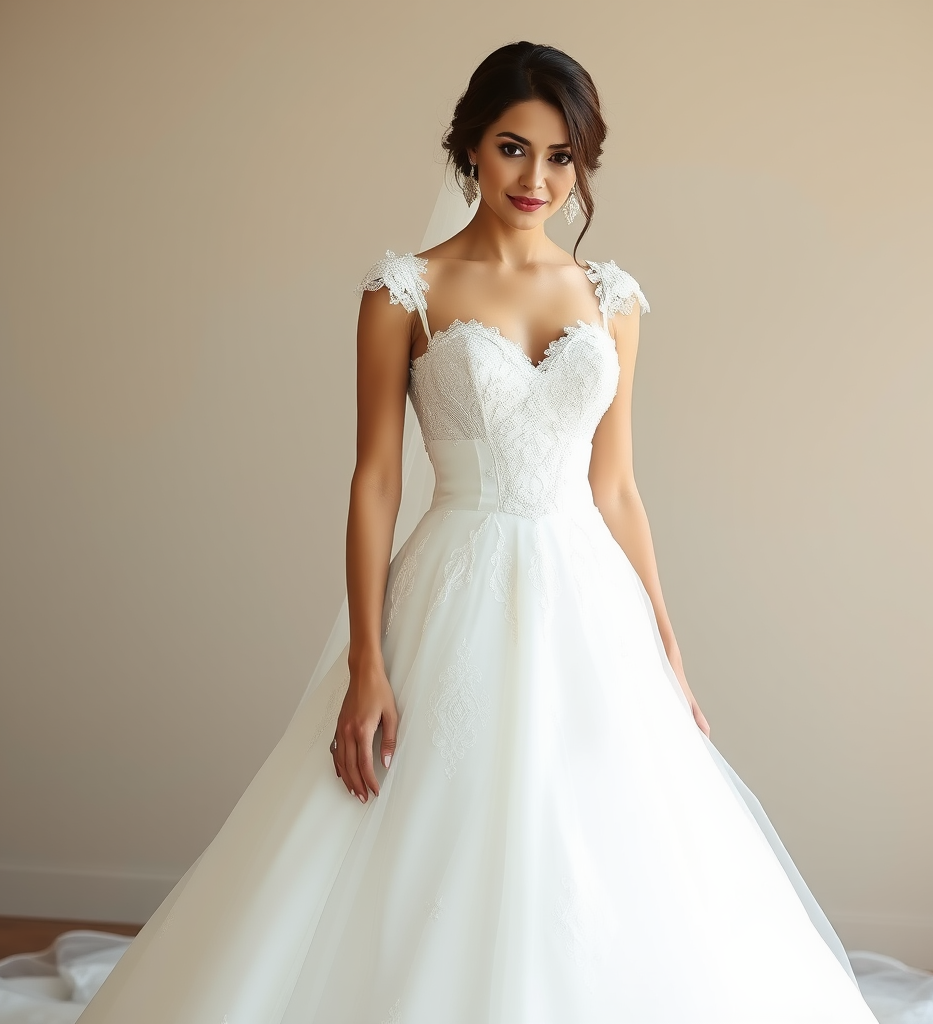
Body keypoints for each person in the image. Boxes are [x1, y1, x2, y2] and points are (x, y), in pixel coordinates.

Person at [77, 41, 879, 1023]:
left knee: (605, 845)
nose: (536, 179)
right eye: (512, 148)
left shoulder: (612, 299)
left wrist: (666, 641)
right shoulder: (403, 292)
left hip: (588, 601)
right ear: (468, 146)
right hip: (453, 589)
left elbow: (616, 487)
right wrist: (367, 661)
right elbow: (376, 481)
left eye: (559, 155)